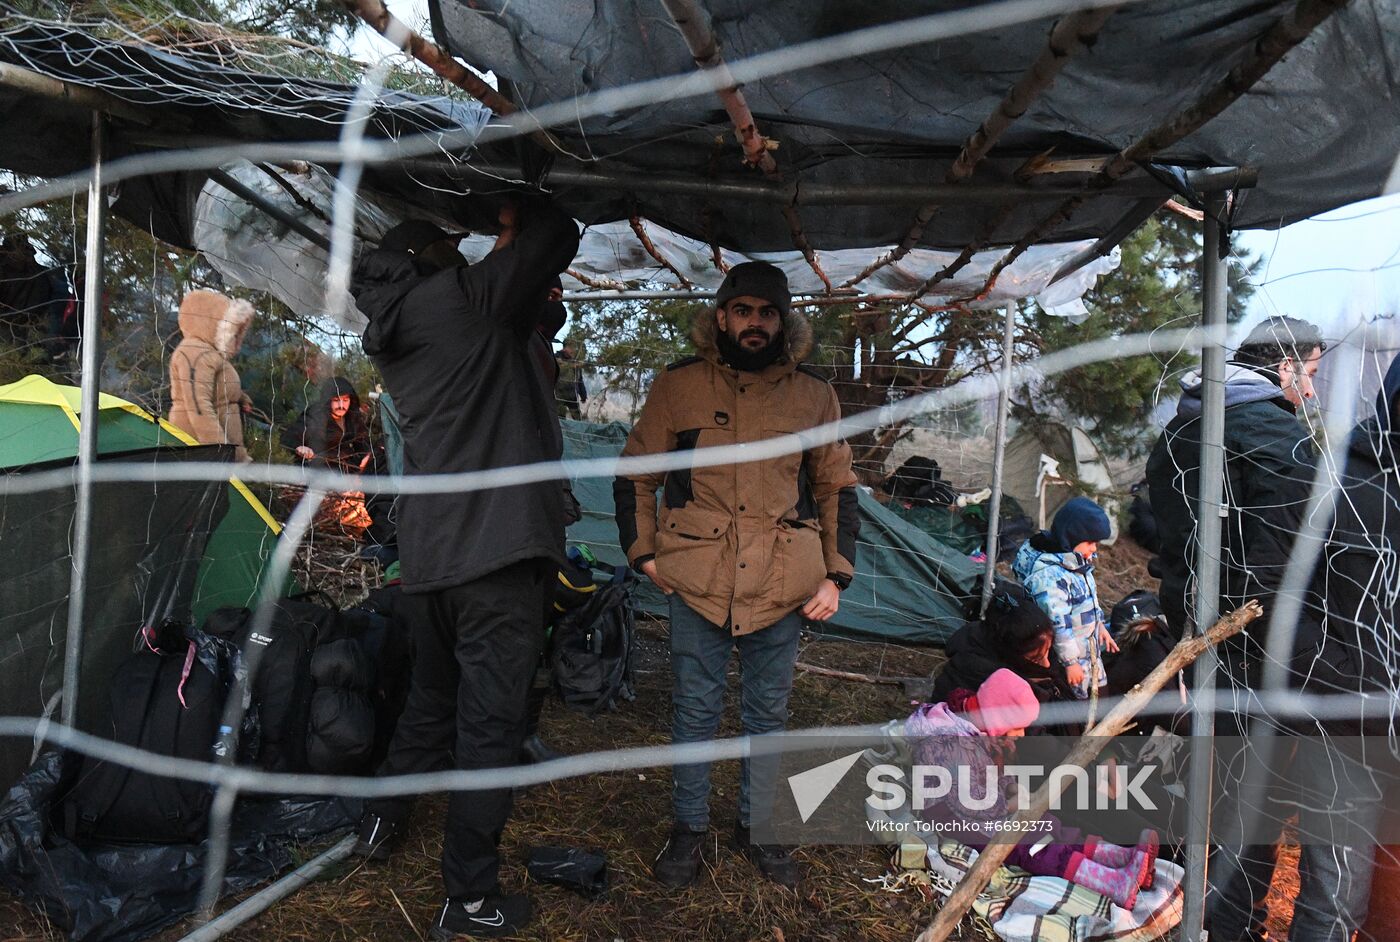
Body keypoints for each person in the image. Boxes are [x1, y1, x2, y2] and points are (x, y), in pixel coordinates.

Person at [348, 198, 580, 940]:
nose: (472, 253)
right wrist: (519, 223)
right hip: (496, 555)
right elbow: (557, 233)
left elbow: (512, 337)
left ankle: (380, 828)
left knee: (430, 705)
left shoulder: (402, 326)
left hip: (431, 559)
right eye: (459, 246)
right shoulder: (454, 297)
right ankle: (468, 898)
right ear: (434, 259)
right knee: (488, 725)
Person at [613, 260, 860, 888]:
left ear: (783, 323)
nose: (755, 323)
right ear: (721, 317)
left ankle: (762, 829)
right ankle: (688, 830)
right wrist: (643, 554)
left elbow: (836, 488)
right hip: (696, 579)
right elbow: (636, 474)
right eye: (743, 311)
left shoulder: (814, 395)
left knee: (767, 714)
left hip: (784, 584)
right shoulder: (679, 386)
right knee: (694, 711)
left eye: (768, 313)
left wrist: (836, 576)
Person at [905, 669, 1159, 910]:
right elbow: (973, 805)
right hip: (960, 819)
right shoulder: (947, 746)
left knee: (1047, 822)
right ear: (999, 718)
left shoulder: (974, 730)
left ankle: (1118, 858)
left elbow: (987, 778)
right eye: (1017, 726)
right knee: (1033, 844)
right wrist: (1015, 802)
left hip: (980, 803)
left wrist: (1012, 786)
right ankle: (1113, 883)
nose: (1021, 733)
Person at [1011, 497, 1117, 701]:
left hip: (1089, 650)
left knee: (1100, 697)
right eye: (1090, 542)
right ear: (1071, 538)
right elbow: (1059, 625)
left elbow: (1089, 599)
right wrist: (1070, 663)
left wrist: (1100, 625)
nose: (1094, 549)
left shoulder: (1077, 564)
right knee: (1083, 705)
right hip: (1069, 659)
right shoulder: (1050, 578)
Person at [929, 579, 1078, 716]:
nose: (1047, 664)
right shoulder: (977, 681)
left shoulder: (1034, 648)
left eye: (1048, 651)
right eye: (1036, 659)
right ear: (1010, 653)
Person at [167, 289, 255, 462]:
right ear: (213, 322)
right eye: (233, 329)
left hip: (220, 453)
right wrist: (220, 452)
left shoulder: (210, 353)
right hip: (201, 452)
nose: (237, 337)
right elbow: (198, 406)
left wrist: (240, 397)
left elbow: (218, 387)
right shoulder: (194, 352)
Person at [280, 376, 375, 472]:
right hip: (320, 469)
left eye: (345, 400)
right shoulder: (315, 416)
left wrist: (367, 457)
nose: (341, 406)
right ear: (328, 400)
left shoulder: (352, 416)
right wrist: (300, 447)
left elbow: (363, 443)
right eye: (336, 400)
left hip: (349, 469)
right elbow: (289, 437)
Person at [554, 341, 587, 419]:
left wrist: (583, 395)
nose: (573, 351)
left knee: (577, 419)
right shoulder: (555, 358)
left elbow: (579, 380)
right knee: (560, 419)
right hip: (559, 395)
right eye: (571, 348)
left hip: (572, 395)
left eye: (574, 348)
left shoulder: (575, 362)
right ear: (565, 348)